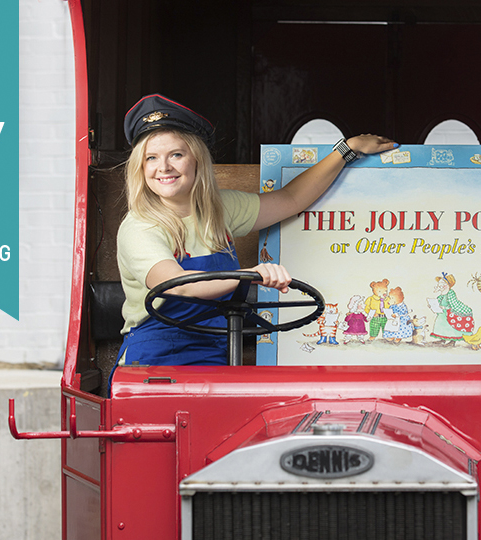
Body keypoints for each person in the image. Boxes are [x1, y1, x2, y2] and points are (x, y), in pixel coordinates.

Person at [114, 93, 397, 374]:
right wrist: (252, 274)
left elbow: (291, 200)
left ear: (196, 160)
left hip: (212, 352)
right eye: (151, 158)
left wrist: (347, 150)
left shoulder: (219, 209)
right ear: (140, 167)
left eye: (176, 154)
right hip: (151, 361)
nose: (163, 167)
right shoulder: (140, 227)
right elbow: (178, 287)